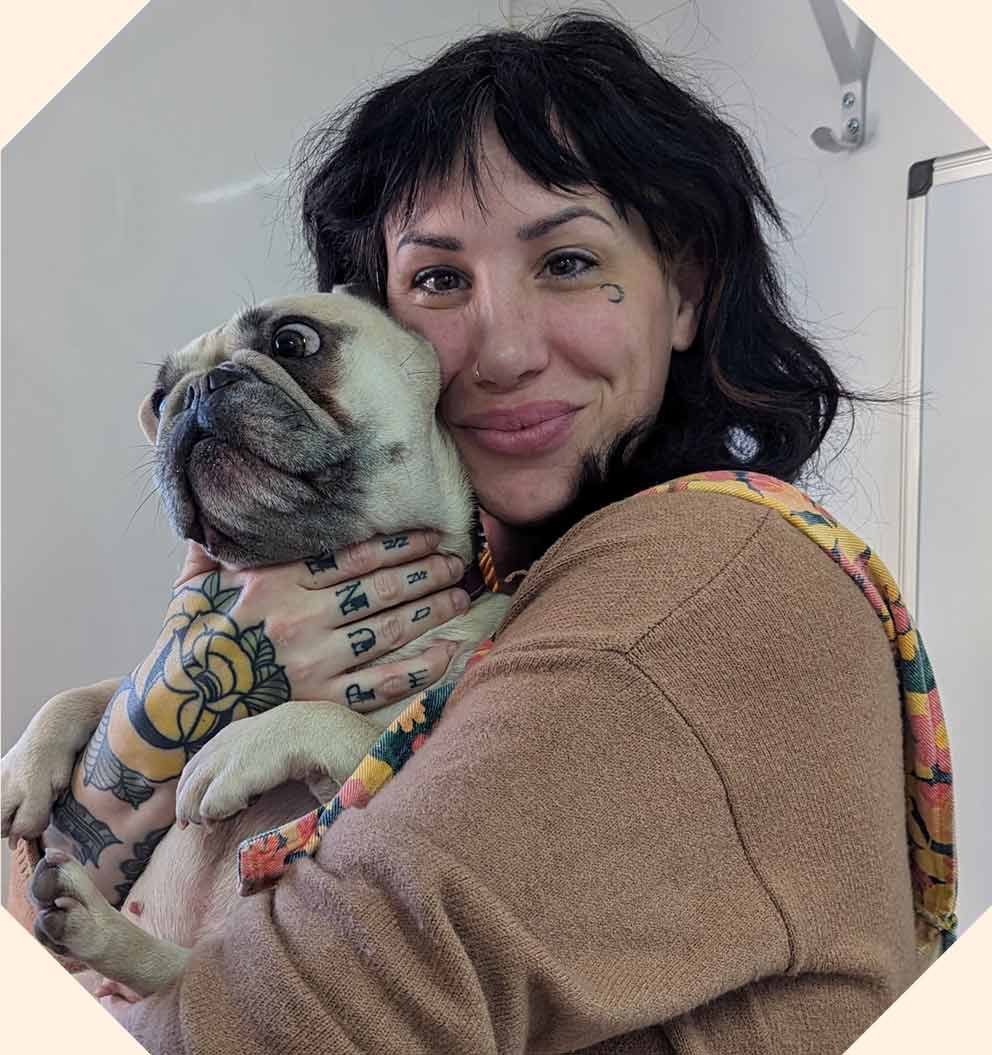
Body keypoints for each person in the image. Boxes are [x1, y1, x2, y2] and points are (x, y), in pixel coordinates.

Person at [7, 12, 954, 1053]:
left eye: (565, 260)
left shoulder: (703, 580)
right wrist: (150, 714)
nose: (500, 349)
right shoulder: (494, 577)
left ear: (681, 291)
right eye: (439, 280)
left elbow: (283, 1016)